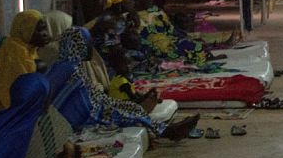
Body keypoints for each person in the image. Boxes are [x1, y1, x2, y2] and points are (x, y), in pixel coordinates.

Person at [47, 27, 198, 140]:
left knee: (130, 108)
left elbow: (91, 95)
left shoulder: (75, 65)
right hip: (82, 118)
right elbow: (55, 102)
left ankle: (166, 130)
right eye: (87, 44)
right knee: (124, 114)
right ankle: (168, 132)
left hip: (92, 109)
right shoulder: (66, 69)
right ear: (77, 46)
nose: (90, 49)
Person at [0, 10, 50, 114]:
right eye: (38, 30)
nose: (45, 34)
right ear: (25, 30)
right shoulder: (15, 51)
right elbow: (21, 90)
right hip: (9, 112)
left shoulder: (29, 50)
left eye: (45, 28)